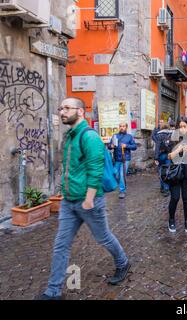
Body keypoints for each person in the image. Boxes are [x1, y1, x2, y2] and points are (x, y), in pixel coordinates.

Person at [39, 98, 130, 300]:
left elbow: (95, 168)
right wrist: (65, 191)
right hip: (69, 202)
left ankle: (123, 263)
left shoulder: (89, 137)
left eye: (66, 108)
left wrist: (89, 198)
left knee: (103, 237)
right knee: (61, 245)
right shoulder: (70, 136)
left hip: (89, 201)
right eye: (60, 108)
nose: (62, 111)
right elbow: (71, 168)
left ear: (80, 111)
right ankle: (53, 292)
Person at [167, 117, 187, 233]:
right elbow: (169, 156)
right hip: (175, 172)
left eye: (185, 127)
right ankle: (171, 219)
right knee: (175, 197)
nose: (182, 129)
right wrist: (178, 150)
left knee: (186, 199)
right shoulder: (173, 139)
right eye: (180, 127)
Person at [107, 123, 137, 199]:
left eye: (123, 126)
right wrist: (111, 146)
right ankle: (119, 185)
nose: (122, 128)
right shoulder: (115, 136)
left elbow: (134, 147)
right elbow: (109, 146)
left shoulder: (129, 137)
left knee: (122, 175)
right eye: (120, 126)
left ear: (126, 127)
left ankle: (122, 191)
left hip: (125, 159)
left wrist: (126, 146)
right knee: (115, 174)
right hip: (117, 159)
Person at [154, 123, 173, 197]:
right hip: (169, 155)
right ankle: (166, 188)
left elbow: (157, 147)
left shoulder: (158, 135)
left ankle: (163, 187)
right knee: (167, 171)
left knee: (161, 170)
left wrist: (156, 157)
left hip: (161, 155)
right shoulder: (171, 134)